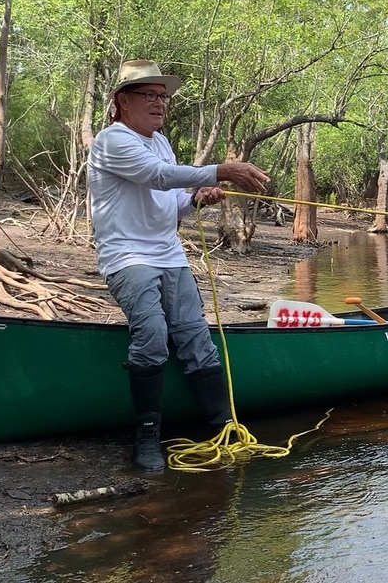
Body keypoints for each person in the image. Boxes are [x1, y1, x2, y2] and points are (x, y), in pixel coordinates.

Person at [88, 59, 270, 471]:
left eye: (162, 97)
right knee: (152, 333)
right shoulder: (111, 140)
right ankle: (147, 437)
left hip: (168, 253)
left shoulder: (162, 142)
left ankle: (223, 427)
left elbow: (170, 200)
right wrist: (221, 170)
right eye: (148, 95)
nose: (158, 104)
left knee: (195, 336)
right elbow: (157, 176)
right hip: (127, 255)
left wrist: (196, 199)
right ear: (122, 101)